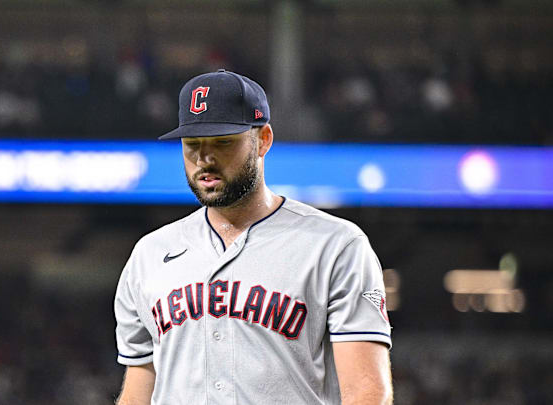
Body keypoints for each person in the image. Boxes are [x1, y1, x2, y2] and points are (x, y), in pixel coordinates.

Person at [114, 69, 393, 405]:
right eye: (192, 145)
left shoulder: (336, 246)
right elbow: (139, 387)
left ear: (263, 140)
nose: (204, 158)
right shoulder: (150, 254)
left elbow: (366, 391)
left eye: (222, 142)